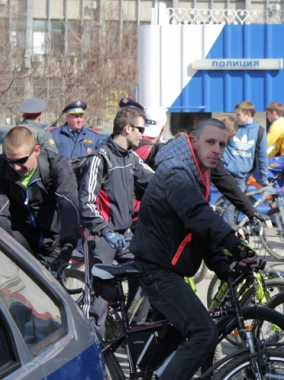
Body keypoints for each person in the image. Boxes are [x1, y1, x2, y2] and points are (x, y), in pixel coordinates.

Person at [130, 118, 261, 380]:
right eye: (210, 142)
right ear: (194, 140)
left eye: (222, 145)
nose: (217, 150)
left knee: (177, 340)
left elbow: (197, 230)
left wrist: (223, 268)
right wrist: (236, 245)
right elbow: (196, 213)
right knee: (204, 332)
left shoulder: (198, 168)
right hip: (157, 269)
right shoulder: (176, 170)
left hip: (168, 266)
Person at [78, 108, 154, 338]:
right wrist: (106, 231)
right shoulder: (99, 159)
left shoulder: (130, 157)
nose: (143, 135)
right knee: (99, 297)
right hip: (101, 236)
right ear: (127, 128)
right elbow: (86, 204)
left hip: (125, 235)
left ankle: (130, 330)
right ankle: (95, 346)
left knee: (146, 277)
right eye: (140, 129)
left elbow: (156, 181)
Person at [0, 127, 79, 274]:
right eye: (10, 161)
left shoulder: (56, 165)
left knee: (52, 286)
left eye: (21, 160)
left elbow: (69, 205)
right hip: (18, 240)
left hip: (52, 242)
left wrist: (68, 246)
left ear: (36, 150)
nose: (16, 167)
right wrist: (8, 248)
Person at [221, 102, 269, 225]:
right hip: (227, 172)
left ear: (248, 114)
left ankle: (229, 230)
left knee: (235, 206)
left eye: (238, 114)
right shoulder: (233, 127)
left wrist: (264, 179)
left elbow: (262, 156)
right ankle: (227, 232)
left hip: (241, 176)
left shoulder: (259, 131)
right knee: (230, 206)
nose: (236, 117)